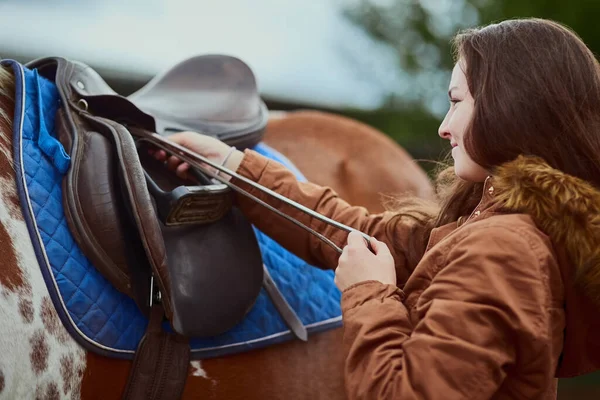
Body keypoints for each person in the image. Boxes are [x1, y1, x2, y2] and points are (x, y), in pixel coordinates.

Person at [152, 18, 600, 399]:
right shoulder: (495, 224)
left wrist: (368, 292)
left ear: (510, 107)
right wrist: (234, 167)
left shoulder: (502, 250)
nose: (444, 128)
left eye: (457, 101)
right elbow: (355, 229)